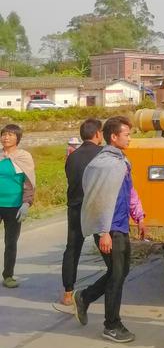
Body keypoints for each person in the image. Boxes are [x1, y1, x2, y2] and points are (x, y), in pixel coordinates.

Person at [73, 116, 145, 343]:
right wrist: (103, 231)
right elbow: (99, 199)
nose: (130, 139)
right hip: (108, 228)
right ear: (114, 137)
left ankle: (85, 297)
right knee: (116, 275)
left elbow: (129, 191)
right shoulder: (102, 164)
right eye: (127, 134)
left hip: (120, 225)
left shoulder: (122, 162)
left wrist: (139, 215)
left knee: (121, 272)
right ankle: (111, 325)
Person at [57, 119, 103, 308]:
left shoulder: (72, 156)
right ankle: (111, 283)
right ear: (98, 134)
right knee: (108, 249)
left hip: (76, 207)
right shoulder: (103, 154)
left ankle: (68, 292)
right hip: (97, 208)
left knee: (72, 249)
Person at [0, 124, 35, 289]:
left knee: (11, 242)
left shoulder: (24, 157)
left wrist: (26, 203)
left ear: (17, 138)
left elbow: (28, 183)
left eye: (11, 135)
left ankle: (8, 275)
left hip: (14, 206)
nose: (6, 138)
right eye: (4, 134)